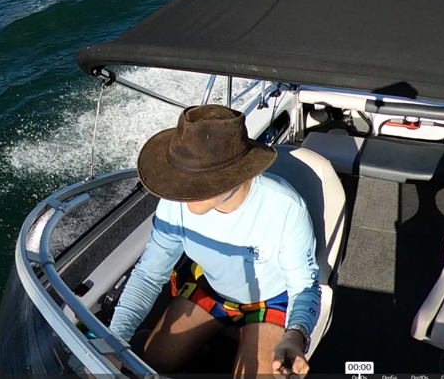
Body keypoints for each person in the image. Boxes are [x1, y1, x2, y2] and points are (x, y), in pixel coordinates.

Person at [108, 104, 320, 378]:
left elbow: (304, 286)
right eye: (183, 177)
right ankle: (197, 354)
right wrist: (113, 339)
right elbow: (149, 273)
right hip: (212, 287)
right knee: (153, 362)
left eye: (201, 179)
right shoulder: (174, 203)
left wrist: (296, 334)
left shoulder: (285, 207)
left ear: (240, 171)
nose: (185, 190)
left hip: (274, 299)